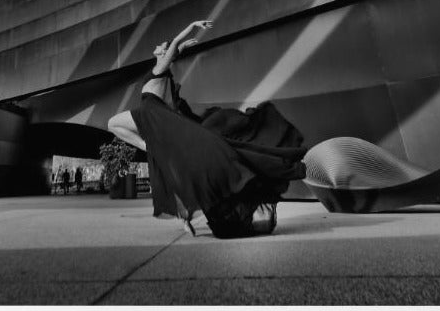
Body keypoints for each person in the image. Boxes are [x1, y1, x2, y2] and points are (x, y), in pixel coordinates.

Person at [107, 20, 307, 239]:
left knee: (112, 124)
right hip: (152, 112)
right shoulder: (163, 66)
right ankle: (186, 216)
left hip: (150, 113)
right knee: (177, 173)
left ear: (163, 52)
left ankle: (150, 146)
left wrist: (190, 27)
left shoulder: (160, 68)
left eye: (162, 46)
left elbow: (173, 46)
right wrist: (181, 47)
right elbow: (175, 50)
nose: (158, 46)